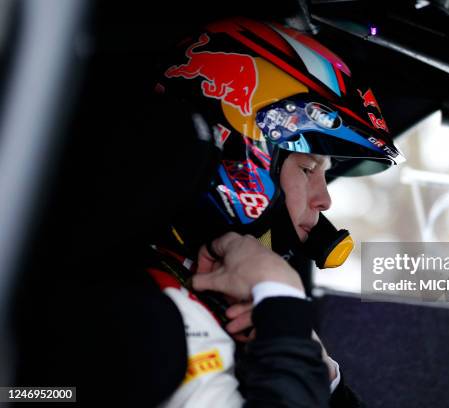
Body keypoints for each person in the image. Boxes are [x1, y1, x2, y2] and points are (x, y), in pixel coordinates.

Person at [142, 16, 405, 407]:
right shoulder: (143, 312)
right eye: (308, 167)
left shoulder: (218, 306)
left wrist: (320, 371)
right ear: (243, 154)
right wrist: (282, 308)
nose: (325, 200)